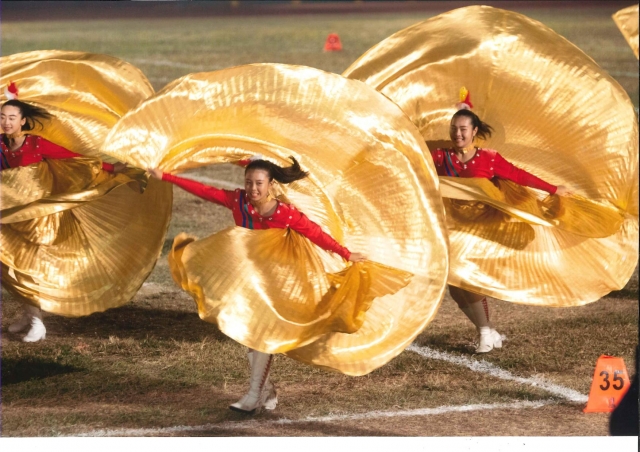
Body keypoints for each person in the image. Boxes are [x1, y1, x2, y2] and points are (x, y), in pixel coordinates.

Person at [149, 156, 366, 414]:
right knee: (249, 332)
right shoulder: (238, 201)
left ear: (271, 184)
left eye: (259, 183)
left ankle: (253, 395)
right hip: (248, 277)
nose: (253, 189)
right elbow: (205, 192)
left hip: (279, 280)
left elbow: (315, 233)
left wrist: (345, 253)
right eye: (249, 182)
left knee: (260, 334)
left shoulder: (284, 212)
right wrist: (167, 177)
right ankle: (265, 389)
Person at [431, 105, 571, 353]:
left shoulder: (488, 158)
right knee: (454, 288)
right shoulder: (442, 157)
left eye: (463, 129)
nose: (458, 134)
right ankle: (488, 330)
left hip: (482, 229)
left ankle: (484, 332)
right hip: (453, 228)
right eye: (454, 129)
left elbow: (518, 175)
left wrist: (553, 189)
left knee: (466, 279)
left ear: (474, 131)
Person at [1, 98, 125, 342]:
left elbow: (74, 159)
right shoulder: (0, 146)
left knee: (23, 268)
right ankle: (29, 314)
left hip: (37, 222)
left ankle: (37, 323)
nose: (6, 122)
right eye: (2, 117)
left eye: (11, 117)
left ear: (23, 121)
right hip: (8, 218)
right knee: (5, 267)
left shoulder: (36, 144)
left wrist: (111, 169)